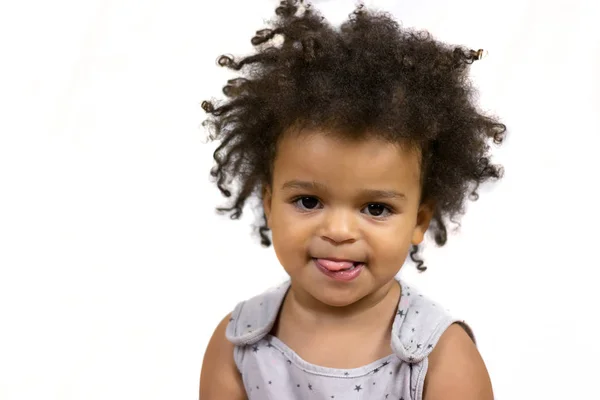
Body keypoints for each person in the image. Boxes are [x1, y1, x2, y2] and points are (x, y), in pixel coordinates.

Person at [199, 1, 506, 399]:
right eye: (308, 201)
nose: (339, 231)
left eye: (375, 208)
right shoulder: (238, 346)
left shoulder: (441, 359)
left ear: (419, 220)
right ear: (269, 202)